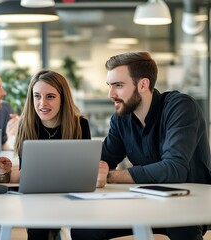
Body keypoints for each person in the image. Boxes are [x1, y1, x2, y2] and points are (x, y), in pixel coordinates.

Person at [71, 51, 211, 240]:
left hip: (187, 204)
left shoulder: (180, 107)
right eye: (110, 86)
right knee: (85, 229)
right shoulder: (121, 120)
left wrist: (110, 176)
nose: (111, 94)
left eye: (118, 86)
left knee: (183, 231)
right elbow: (104, 159)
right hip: (144, 203)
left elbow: (174, 168)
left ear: (143, 84)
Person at [14, 69, 92, 240]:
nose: (42, 103)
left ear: (62, 99)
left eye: (50, 96)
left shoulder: (80, 125)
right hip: (37, 198)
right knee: (38, 231)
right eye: (37, 96)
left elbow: (85, 172)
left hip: (72, 195)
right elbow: (25, 172)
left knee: (86, 231)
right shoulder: (25, 125)